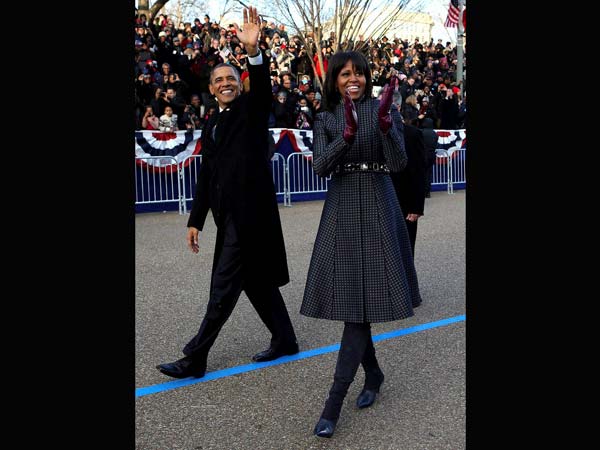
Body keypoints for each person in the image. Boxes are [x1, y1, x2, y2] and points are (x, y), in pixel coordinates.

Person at [156, 6, 299, 380]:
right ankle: (285, 339)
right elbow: (207, 175)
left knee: (222, 286)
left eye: (230, 77)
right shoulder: (212, 122)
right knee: (256, 282)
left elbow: (262, 86)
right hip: (227, 215)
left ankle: (195, 358)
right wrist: (195, 220)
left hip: (250, 216)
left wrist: (253, 52)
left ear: (240, 82)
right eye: (218, 79)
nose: (225, 83)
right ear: (211, 88)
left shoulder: (251, 109)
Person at [300, 51, 422, 438]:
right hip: (342, 205)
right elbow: (320, 166)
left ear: (369, 77)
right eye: (346, 74)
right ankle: (373, 374)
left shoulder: (383, 109)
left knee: (357, 309)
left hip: (379, 202)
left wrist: (385, 124)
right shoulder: (326, 116)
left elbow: (400, 163)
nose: (354, 79)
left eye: (360, 73)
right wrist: (348, 136)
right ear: (335, 78)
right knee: (357, 305)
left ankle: (332, 404)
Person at [390, 95, 427, 256]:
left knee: (405, 251)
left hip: (405, 204)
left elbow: (419, 171)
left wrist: (417, 206)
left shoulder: (412, 134)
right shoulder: (369, 134)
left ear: (397, 108)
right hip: (377, 202)